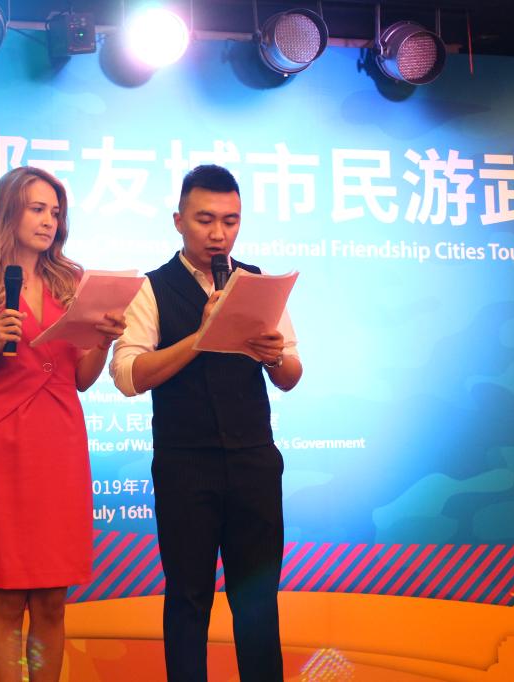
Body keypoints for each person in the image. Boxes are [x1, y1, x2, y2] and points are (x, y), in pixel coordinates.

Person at [109, 165, 302, 682]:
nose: (219, 234)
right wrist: (201, 336)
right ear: (178, 221)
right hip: (185, 466)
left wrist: (272, 355)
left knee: (257, 600)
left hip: (254, 463)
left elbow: (291, 376)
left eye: (230, 221)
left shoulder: (258, 283)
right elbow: (128, 376)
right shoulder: (151, 289)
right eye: (205, 220)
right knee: (188, 600)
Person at [0, 166, 126, 682]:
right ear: (9, 212)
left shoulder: (73, 285)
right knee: (6, 597)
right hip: (4, 448)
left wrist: (104, 340)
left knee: (51, 600)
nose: (49, 221)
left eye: (55, 212)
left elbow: (83, 379)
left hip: (61, 445)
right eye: (37, 209)